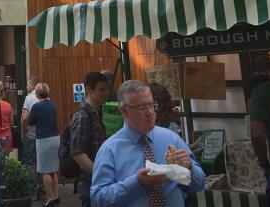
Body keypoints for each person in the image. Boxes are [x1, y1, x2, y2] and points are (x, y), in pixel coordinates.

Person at [91, 79, 205, 207]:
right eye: (142, 108)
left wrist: (189, 168)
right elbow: (97, 200)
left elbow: (199, 184)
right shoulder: (110, 149)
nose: (150, 112)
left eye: (152, 105)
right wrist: (136, 183)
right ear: (124, 111)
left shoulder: (171, 138)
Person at [71, 71, 111, 207]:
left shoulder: (96, 113)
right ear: (88, 90)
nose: (106, 93)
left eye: (107, 89)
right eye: (101, 89)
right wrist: (99, 172)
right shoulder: (83, 115)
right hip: (89, 181)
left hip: (97, 180)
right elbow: (77, 152)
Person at [28, 83, 60, 207]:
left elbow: (31, 121)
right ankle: (56, 195)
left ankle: (50, 197)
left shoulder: (36, 106)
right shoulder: (53, 104)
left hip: (43, 139)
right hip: (55, 137)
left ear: (37, 93)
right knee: (53, 169)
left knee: (44, 170)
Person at [21, 76, 41, 200]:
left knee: (28, 162)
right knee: (42, 163)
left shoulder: (29, 98)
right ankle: (44, 190)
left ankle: (32, 191)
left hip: (30, 135)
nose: (26, 87)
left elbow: (24, 118)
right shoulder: (45, 98)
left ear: (33, 85)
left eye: (28, 84)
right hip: (42, 136)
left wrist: (24, 131)